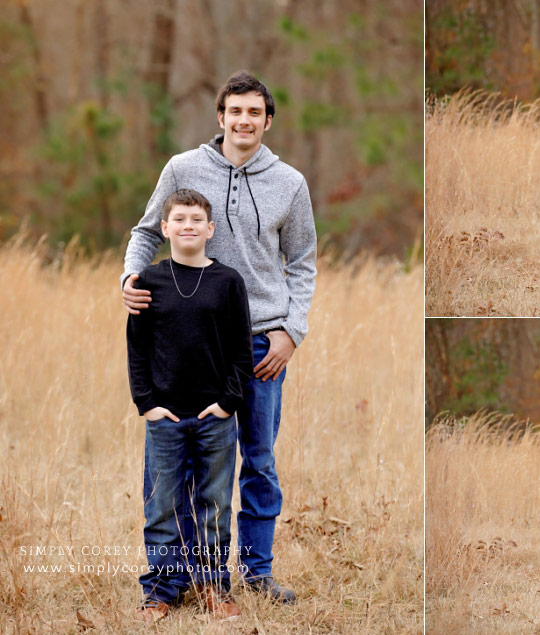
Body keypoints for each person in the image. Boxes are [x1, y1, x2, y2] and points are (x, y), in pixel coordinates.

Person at [121, 70, 317, 605]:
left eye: (255, 112)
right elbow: (145, 231)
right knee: (187, 461)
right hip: (191, 341)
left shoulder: (290, 183)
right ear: (221, 117)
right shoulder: (183, 169)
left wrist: (291, 332)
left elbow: (301, 262)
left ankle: (257, 572)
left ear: (268, 120)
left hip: (259, 346)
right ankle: (182, 578)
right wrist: (130, 281)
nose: (244, 121)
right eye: (236, 111)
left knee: (258, 460)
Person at [127, 189, 252, 623]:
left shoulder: (228, 282)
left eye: (197, 219)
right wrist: (147, 405)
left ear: (210, 229)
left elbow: (241, 351)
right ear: (164, 229)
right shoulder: (148, 282)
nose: (188, 226)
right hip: (165, 415)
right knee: (162, 504)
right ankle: (161, 589)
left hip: (214, 416)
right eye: (179, 219)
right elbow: (137, 350)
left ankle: (212, 587)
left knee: (214, 503)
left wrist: (227, 402)